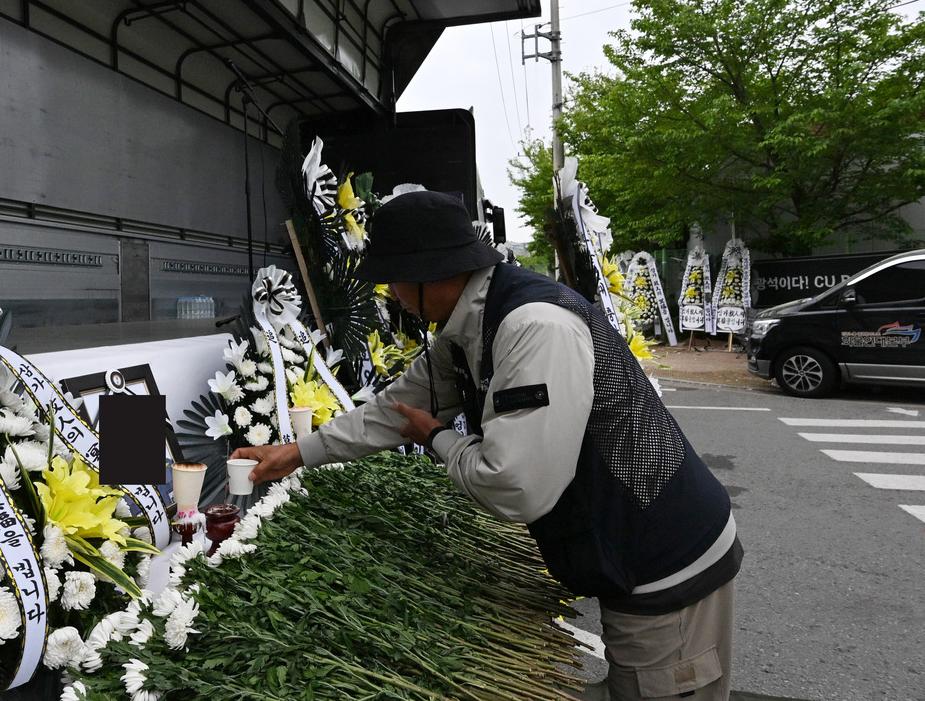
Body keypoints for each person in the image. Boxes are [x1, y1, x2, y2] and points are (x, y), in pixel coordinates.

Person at [233, 190, 742, 701]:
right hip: (633, 556)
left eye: (393, 279)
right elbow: (398, 407)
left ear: (429, 273)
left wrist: (438, 439)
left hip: (666, 569)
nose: (392, 294)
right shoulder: (470, 324)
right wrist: (297, 453)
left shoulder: (532, 327)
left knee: (648, 688)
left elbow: (516, 486)